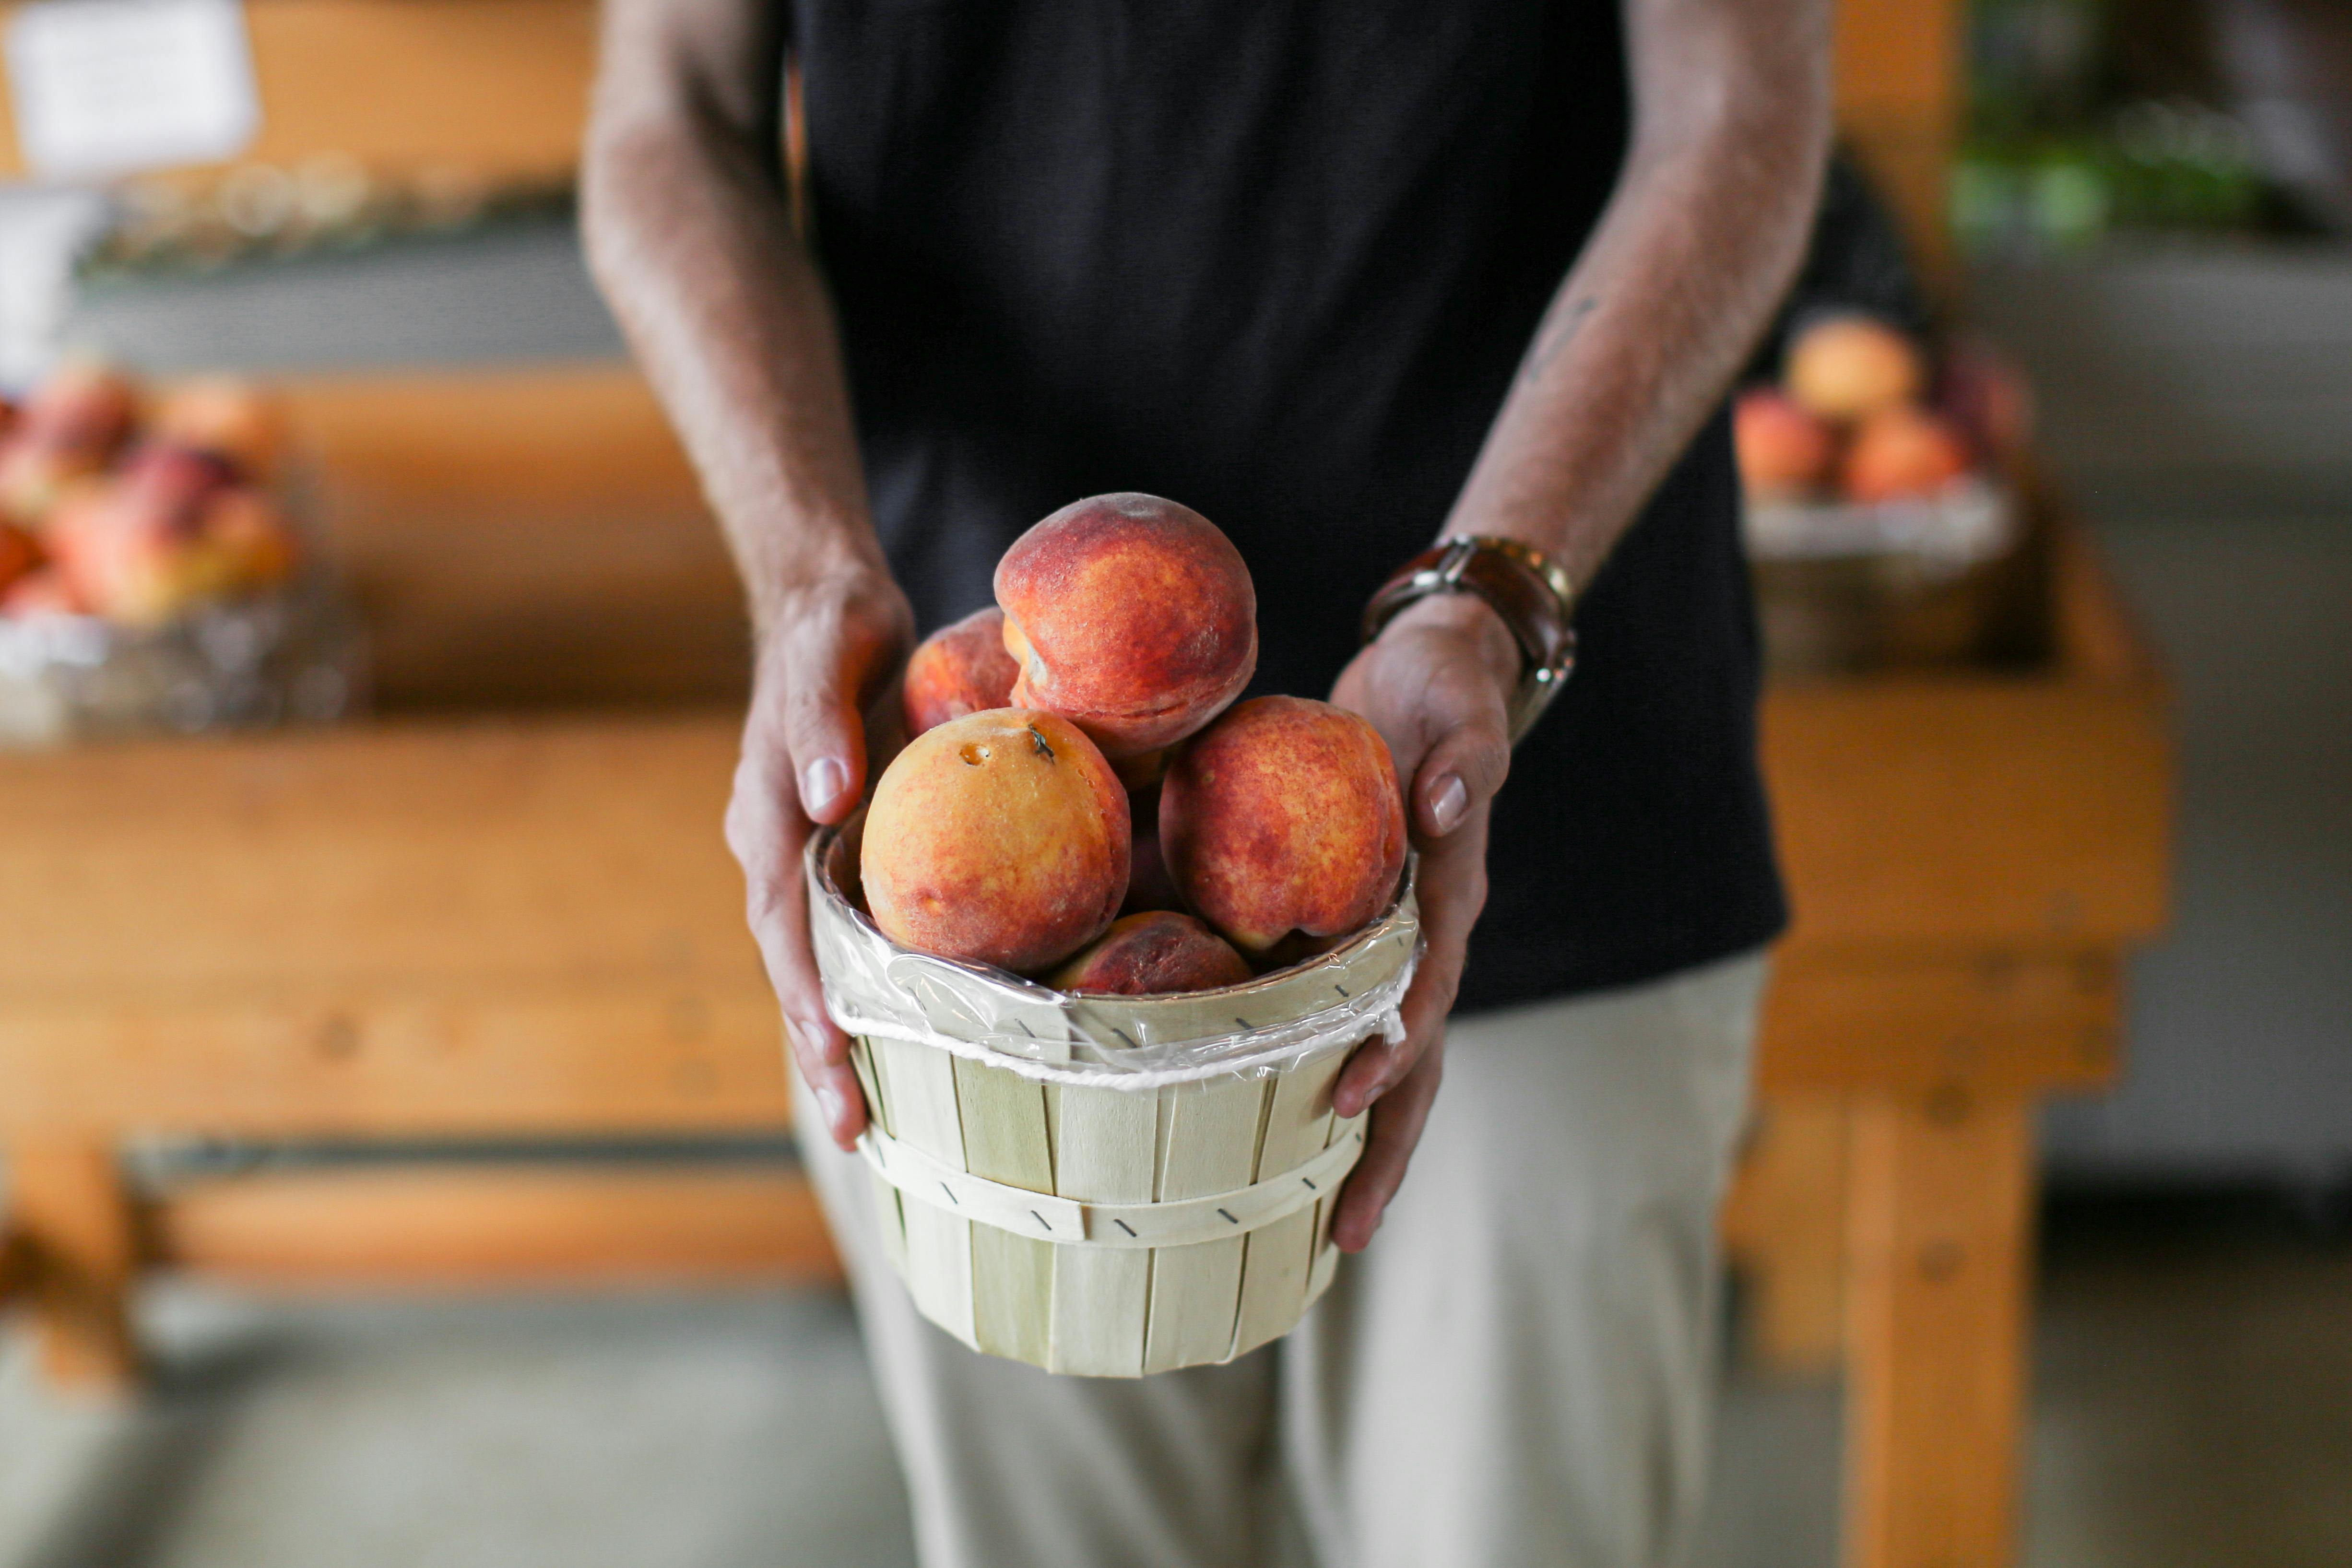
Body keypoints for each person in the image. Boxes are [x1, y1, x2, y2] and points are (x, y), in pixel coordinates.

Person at [584, 3, 1829, 1563]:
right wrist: (801, 567)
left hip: (1530, 730)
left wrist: (1490, 597)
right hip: (971, 855)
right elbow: (668, 117)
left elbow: (1739, 105)